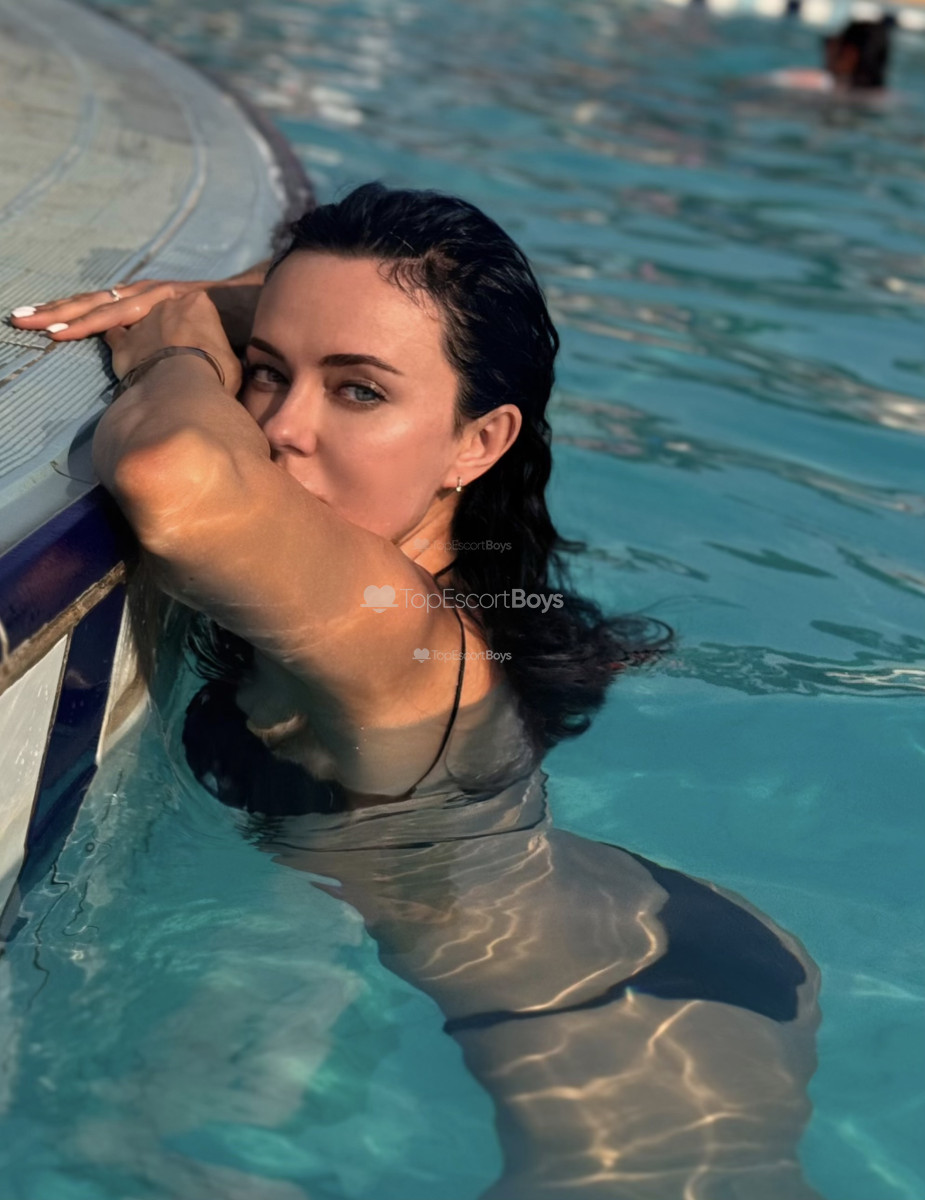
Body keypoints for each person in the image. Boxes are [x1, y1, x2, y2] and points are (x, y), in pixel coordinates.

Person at [10, 184, 824, 1199]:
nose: (281, 428)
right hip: (634, 932)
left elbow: (174, 477)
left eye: (358, 392)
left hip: (630, 1022)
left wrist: (180, 353)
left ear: (478, 442)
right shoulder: (383, 573)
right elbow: (336, 291)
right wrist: (228, 306)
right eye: (268, 373)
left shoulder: (391, 622)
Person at [767, 16, 892, 93]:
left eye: (829, 43)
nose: (826, 49)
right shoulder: (888, 99)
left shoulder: (813, 83)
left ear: (849, 55)